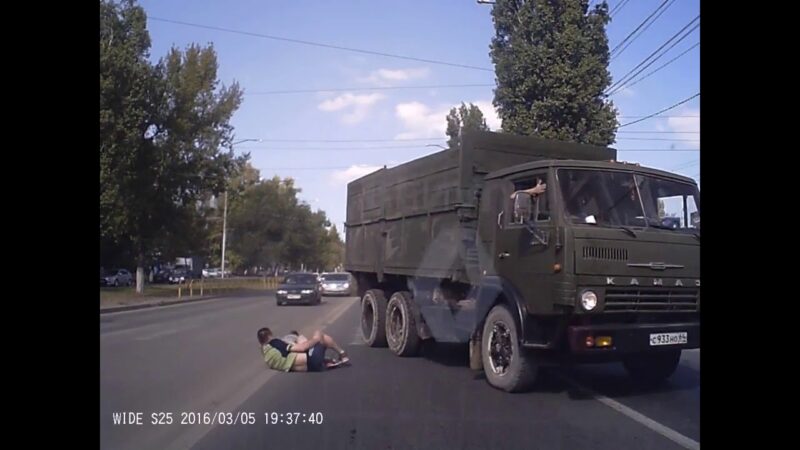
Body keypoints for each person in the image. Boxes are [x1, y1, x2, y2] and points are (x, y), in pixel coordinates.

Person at [257, 328, 350, 373]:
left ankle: (325, 361)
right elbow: (302, 348)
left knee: (313, 342)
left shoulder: (267, 354)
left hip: (310, 367)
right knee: (319, 333)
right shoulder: (275, 343)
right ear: (270, 335)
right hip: (312, 359)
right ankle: (342, 353)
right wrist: (316, 339)